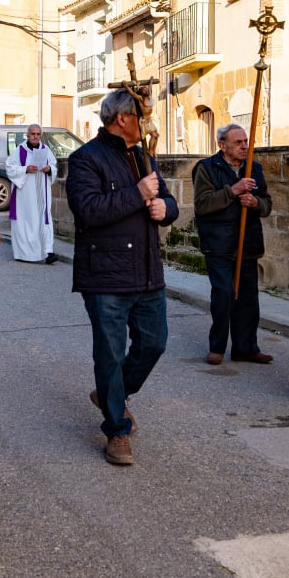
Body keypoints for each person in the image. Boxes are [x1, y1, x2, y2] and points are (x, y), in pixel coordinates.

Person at [66, 88, 178, 466]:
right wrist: (137, 193)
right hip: (106, 277)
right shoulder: (84, 160)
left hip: (147, 272)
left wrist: (167, 207)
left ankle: (113, 392)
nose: (146, 124)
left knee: (155, 343)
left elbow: (164, 198)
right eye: (141, 117)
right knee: (110, 355)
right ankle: (116, 430)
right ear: (122, 120)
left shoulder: (144, 156)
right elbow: (88, 212)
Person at [192, 124, 274, 366]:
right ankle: (217, 346)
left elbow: (268, 203)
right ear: (222, 145)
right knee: (225, 295)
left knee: (249, 299)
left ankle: (246, 348)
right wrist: (233, 190)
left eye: (245, 141)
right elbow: (203, 205)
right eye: (238, 142)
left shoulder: (254, 168)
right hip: (218, 244)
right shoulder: (206, 168)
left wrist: (255, 202)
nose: (244, 146)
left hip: (247, 244)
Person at [5, 123, 57, 264]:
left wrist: (49, 169)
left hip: (42, 194)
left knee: (44, 221)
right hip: (25, 196)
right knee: (25, 222)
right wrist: (26, 169)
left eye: (38, 134)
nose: (35, 136)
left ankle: (47, 252)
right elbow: (10, 168)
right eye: (33, 134)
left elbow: (54, 165)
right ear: (27, 135)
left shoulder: (46, 149)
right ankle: (25, 254)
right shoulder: (19, 150)